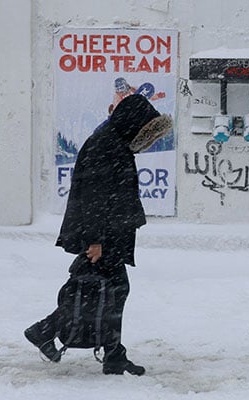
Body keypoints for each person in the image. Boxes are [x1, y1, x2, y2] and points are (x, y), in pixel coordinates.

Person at [25, 94, 173, 375]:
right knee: (102, 292)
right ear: (132, 123)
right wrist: (94, 241)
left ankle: (104, 350)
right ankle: (47, 331)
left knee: (106, 292)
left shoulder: (113, 141)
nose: (146, 140)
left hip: (111, 233)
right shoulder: (105, 144)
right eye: (144, 132)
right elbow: (93, 197)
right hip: (103, 236)